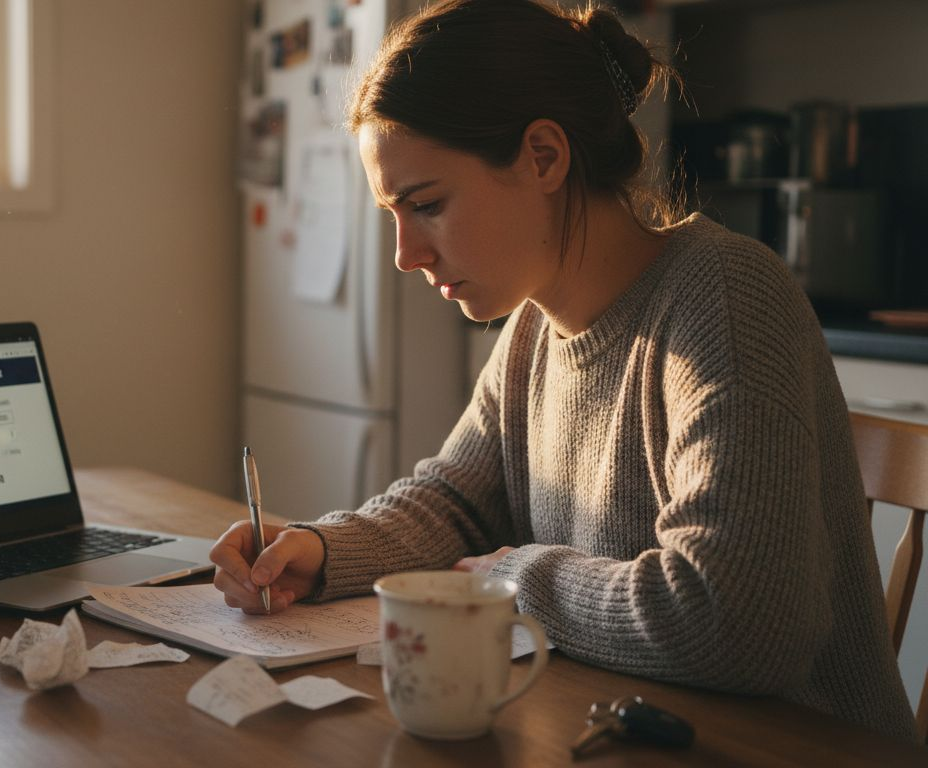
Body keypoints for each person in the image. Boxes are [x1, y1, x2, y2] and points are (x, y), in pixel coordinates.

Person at [210, 0, 918, 742]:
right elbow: (454, 504)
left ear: (544, 156)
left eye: (426, 205)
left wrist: (517, 577)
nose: (405, 255)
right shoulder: (532, 331)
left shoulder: (726, 298)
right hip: (623, 730)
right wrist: (321, 551)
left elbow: (733, 619)